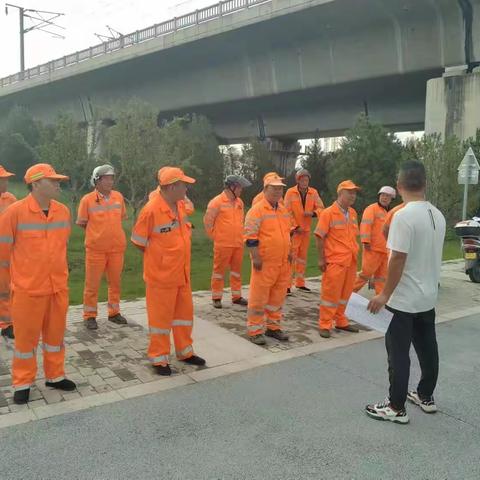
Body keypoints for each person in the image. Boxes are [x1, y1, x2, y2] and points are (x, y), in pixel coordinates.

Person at [366, 160, 446, 424]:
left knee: (398, 352)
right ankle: (425, 395)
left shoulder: (403, 216)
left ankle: (395, 406)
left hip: (404, 298)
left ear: (399, 186)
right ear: (425, 184)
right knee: (427, 348)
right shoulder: (438, 214)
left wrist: (384, 295)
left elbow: (398, 258)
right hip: (427, 296)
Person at [0, 163, 76, 404]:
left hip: (57, 288)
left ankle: (55, 376)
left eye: (58, 179)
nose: (57, 183)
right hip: (28, 291)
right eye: (52, 180)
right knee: (25, 340)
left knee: (55, 337)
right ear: (34, 184)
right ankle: (22, 382)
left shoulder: (63, 211)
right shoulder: (14, 212)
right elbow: (3, 253)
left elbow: (61, 246)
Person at [131, 166, 205, 376]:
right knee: (160, 320)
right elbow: (138, 242)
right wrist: (160, 259)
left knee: (183, 316)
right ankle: (159, 358)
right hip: (161, 277)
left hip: (182, 273)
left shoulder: (180, 205)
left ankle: (185, 352)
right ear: (172, 186)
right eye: (183, 185)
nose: (186, 189)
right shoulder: (151, 210)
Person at [77, 165, 128, 330]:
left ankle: (114, 313)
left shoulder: (119, 197)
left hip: (117, 248)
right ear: (96, 180)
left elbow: (121, 218)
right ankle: (89, 316)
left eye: (112, 178)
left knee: (115, 283)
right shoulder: (87, 200)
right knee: (92, 285)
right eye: (106, 178)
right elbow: (82, 223)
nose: (110, 181)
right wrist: (97, 235)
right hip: (95, 250)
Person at [244, 172, 292, 345]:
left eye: (280, 189)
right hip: (264, 262)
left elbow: (287, 233)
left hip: (282, 262)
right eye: (275, 188)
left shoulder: (283, 210)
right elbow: (250, 236)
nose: (278, 192)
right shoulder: (256, 210)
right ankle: (255, 330)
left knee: (277, 297)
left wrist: (290, 252)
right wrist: (255, 256)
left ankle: (273, 328)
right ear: (265, 189)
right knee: (259, 298)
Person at [314, 180, 361, 338]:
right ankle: (325, 324)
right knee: (330, 294)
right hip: (335, 261)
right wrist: (321, 259)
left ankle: (341, 320)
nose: (353, 195)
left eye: (354, 193)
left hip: (351, 260)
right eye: (350, 192)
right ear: (340, 193)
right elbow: (319, 236)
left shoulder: (353, 213)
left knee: (345, 294)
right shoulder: (328, 213)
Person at [203, 175, 251, 308]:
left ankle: (236, 296)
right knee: (219, 272)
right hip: (223, 244)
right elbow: (207, 222)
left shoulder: (239, 202)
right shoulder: (216, 202)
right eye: (240, 187)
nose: (241, 190)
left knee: (236, 272)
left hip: (238, 243)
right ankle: (216, 297)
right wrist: (216, 237)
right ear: (232, 187)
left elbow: (242, 222)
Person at [284, 168, 324, 293]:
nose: (305, 182)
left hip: (306, 231)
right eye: (302, 180)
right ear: (298, 180)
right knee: (291, 257)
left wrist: (313, 213)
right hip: (294, 231)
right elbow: (287, 212)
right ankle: (286, 285)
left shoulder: (313, 192)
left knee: (302, 257)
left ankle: (300, 283)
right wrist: (295, 226)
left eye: (306, 180)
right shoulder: (290, 192)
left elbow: (321, 208)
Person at [353, 186, 396, 295]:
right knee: (366, 274)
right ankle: (348, 294)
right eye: (382, 195)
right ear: (379, 196)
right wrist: (365, 241)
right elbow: (365, 224)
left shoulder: (391, 213)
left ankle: (379, 300)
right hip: (372, 249)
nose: (384, 198)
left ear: (392, 199)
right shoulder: (372, 209)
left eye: (387, 196)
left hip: (385, 250)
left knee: (382, 277)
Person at [0, 165, 17, 339]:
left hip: (8, 255)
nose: (6, 181)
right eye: (3, 179)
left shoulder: (11, 199)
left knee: (6, 289)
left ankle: (6, 324)